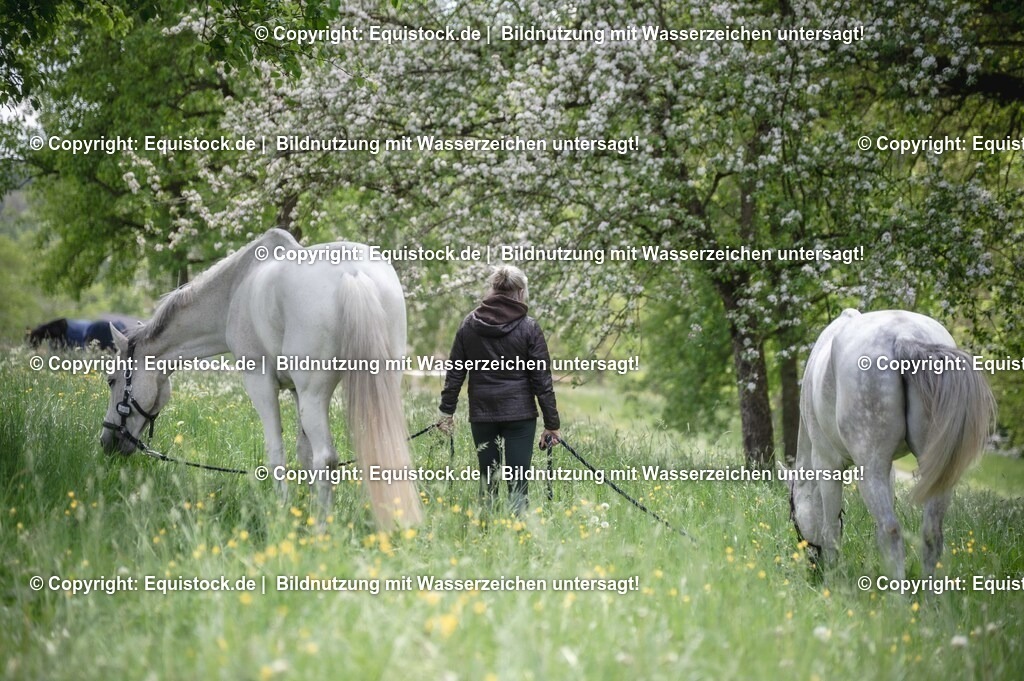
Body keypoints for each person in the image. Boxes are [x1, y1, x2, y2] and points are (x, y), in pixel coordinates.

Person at [438, 265, 561, 512]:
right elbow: (542, 381)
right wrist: (552, 424)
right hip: (520, 416)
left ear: (492, 289)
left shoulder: (469, 324)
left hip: (482, 414)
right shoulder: (529, 327)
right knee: (518, 485)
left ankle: (485, 535)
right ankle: (517, 539)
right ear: (521, 291)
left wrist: (446, 413)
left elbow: (455, 374)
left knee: (488, 482)